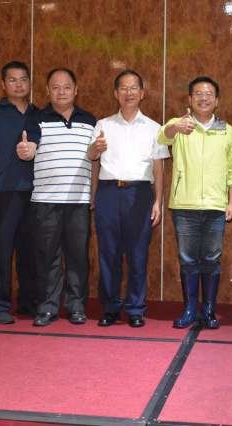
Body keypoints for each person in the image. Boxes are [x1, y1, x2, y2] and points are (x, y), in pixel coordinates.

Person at [88, 69, 169, 328]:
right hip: (108, 193)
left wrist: (158, 202)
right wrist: (94, 150)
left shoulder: (155, 128)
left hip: (140, 193)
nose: (128, 92)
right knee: (108, 253)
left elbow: (159, 168)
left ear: (142, 93)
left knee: (137, 254)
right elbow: (92, 158)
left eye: (134, 88)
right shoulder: (103, 125)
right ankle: (110, 307)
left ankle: (135, 308)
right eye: (123, 88)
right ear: (116, 93)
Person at [158, 76, 232, 329]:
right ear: (190, 99)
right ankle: (190, 309)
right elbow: (161, 137)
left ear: (217, 100)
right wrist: (175, 127)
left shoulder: (227, 130)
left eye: (209, 94)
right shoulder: (180, 124)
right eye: (198, 94)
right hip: (184, 205)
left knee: (212, 259)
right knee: (188, 259)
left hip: (216, 206)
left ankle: (209, 310)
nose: (204, 98)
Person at [18, 68, 96, 327]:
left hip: (78, 201)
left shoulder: (90, 121)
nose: (61, 92)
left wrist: (93, 194)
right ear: (48, 91)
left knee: (78, 258)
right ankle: (48, 307)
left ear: (76, 90)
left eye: (66, 87)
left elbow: (95, 159)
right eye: (55, 87)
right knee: (47, 256)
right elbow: (30, 146)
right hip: (45, 200)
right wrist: (26, 150)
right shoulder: (36, 119)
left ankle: (76, 306)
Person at [0, 61, 38, 324]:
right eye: (12, 80)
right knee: (1, 249)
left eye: (23, 79)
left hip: (35, 191)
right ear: (3, 84)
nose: (19, 84)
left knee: (30, 249)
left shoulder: (39, 113)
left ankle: (28, 302)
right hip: (3, 190)